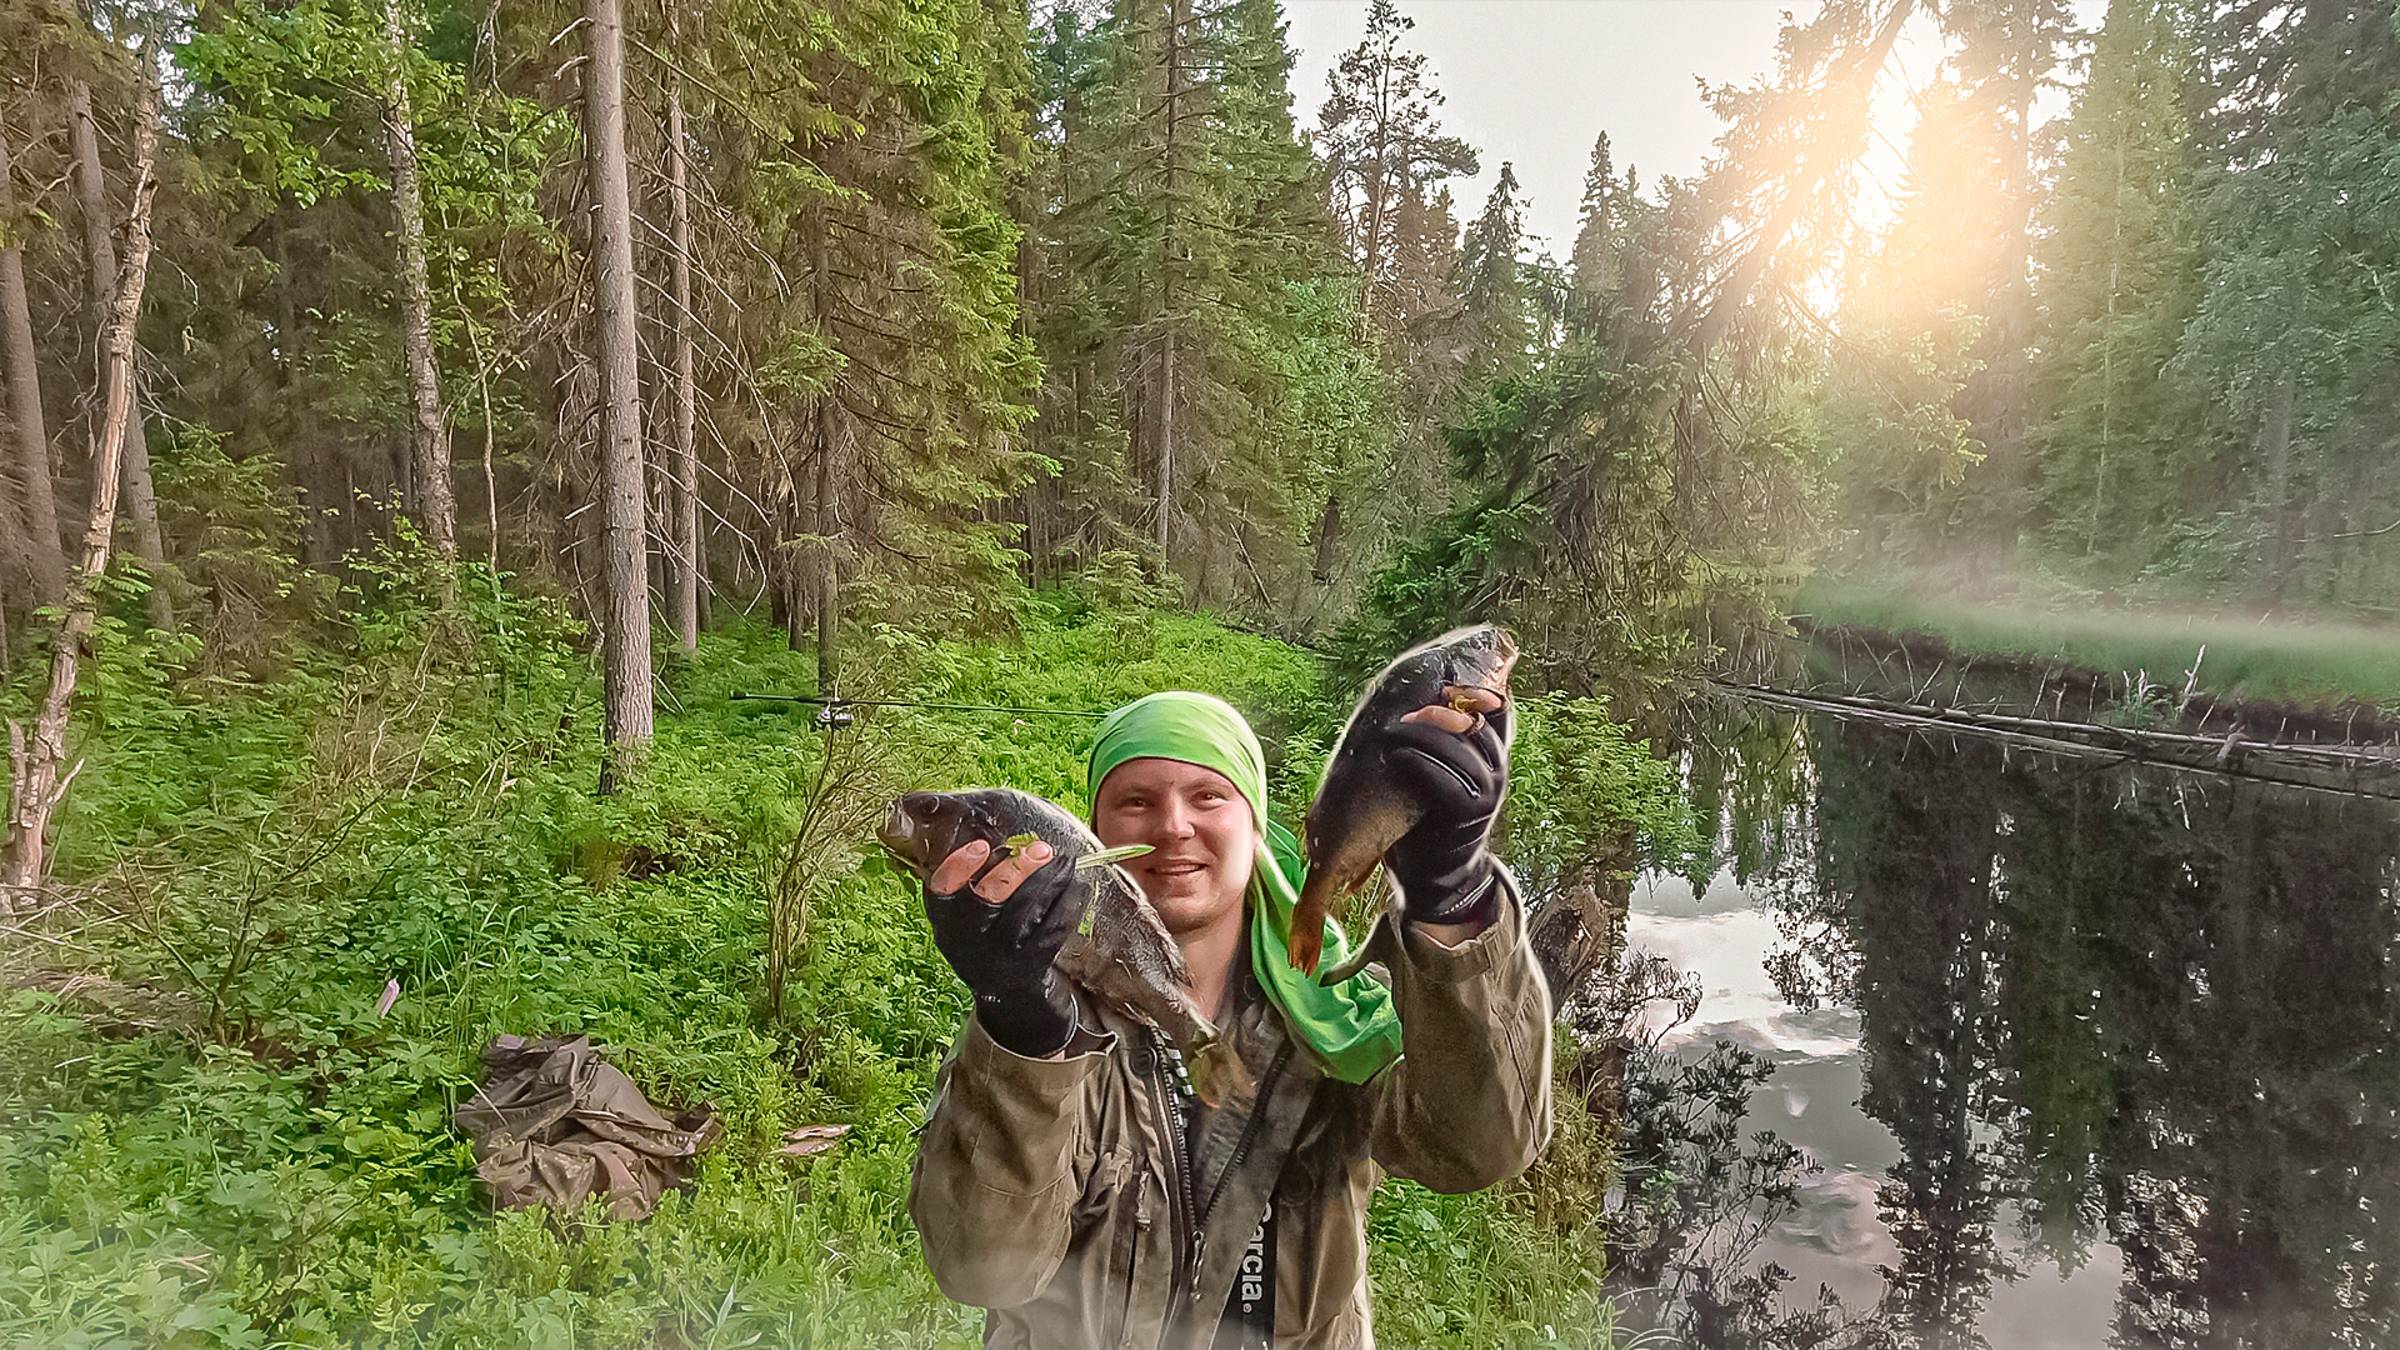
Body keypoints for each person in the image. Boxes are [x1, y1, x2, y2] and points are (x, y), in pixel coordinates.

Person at [908, 689, 1553, 1349]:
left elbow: (1477, 1151)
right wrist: (1018, 1026)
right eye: (1135, 801)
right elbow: (982, 1268)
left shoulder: (1340, 1011)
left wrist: (1451, 897)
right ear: (1092, 837)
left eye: (1209, 797)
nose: (1173, 827)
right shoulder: (1050, 1018)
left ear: (1254, 826)